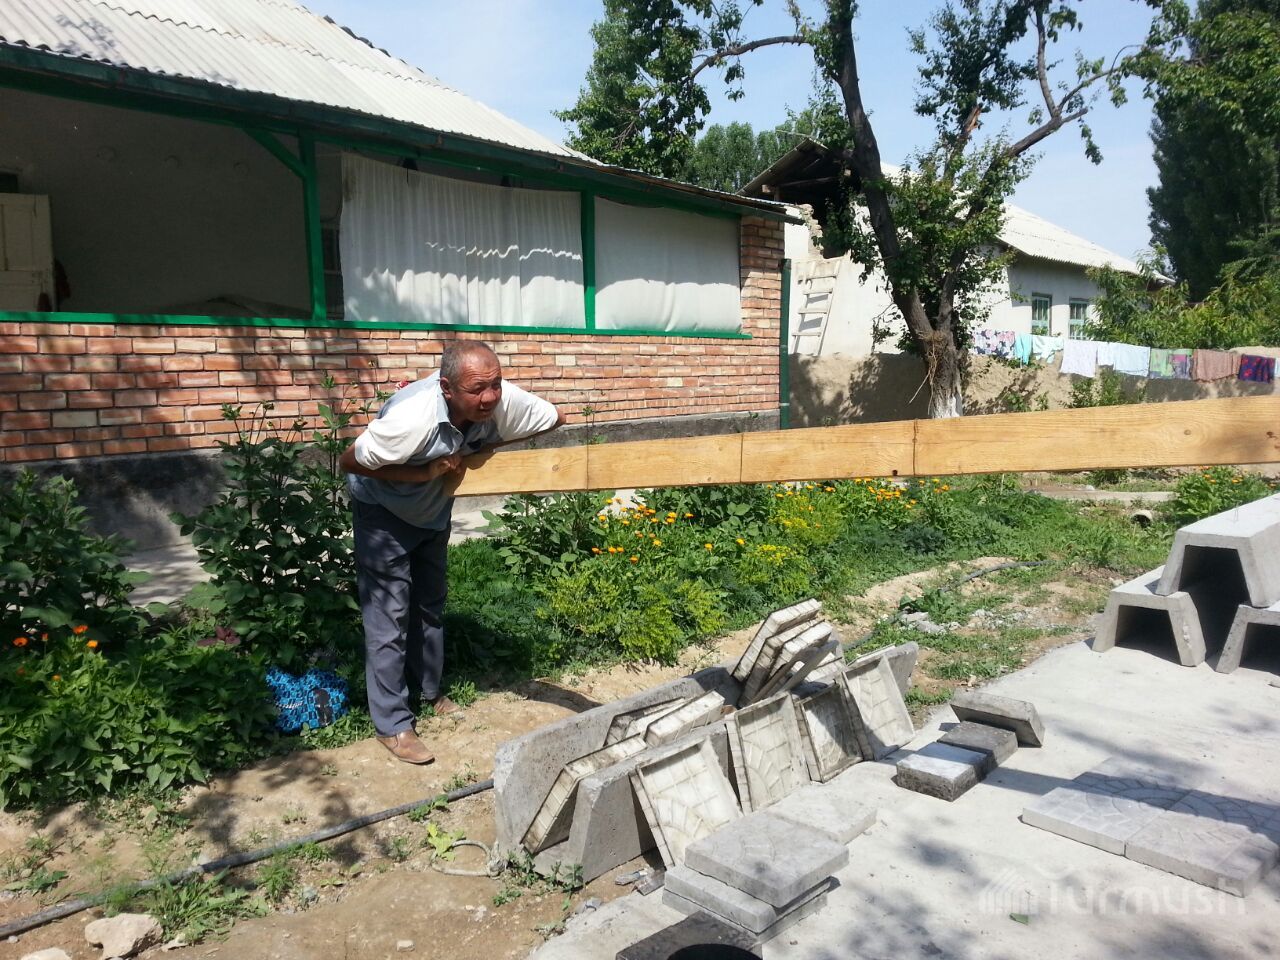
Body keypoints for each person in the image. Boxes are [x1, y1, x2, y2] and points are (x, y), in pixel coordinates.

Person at [339, 341, 565, 764]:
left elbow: (555, 418)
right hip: (383, 512)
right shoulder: (412, 418)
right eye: (477, 389)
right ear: (446, 387)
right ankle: (392, 723)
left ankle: (428, 691)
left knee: (430, 604)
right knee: (389, 616)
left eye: (496, 384)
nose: (490, 398)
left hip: (432, 511)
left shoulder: (499, 400)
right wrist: (425, 471)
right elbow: (349, 462)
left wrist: (482, 448)